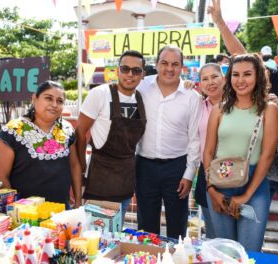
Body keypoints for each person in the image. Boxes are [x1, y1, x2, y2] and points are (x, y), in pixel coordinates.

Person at [203, 54, 278, 251]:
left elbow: (268, 155)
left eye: (247, 74)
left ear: (258, 77)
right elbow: (209, 151)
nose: (240, 80)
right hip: (219, 181)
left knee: (249, 251)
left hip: (255, 185)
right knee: (225, 252)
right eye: (235, 74)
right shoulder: (219, 109)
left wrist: (246, 195)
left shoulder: (269, 109)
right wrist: (211, 189)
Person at [135, 45, 201, 239]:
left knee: (177, 227)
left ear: (182, 67)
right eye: (164, 63)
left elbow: (194, 139)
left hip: (177, 168)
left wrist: (189, 174)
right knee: (146, 227)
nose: (169, 69)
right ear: (156, 64)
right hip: (144, 166)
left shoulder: (192, 96)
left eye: (175, 64)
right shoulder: (141, 86)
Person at [76, 50, 146, 220]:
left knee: (116, 233)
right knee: (96, 235)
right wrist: (81, 166)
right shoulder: (100, 94)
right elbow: (80, 132)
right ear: (117, 71)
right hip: (101, 179)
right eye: (125, 69)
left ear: (143, 74)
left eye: (136, 70)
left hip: (126, 180)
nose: (130, 74)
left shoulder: (141, 98)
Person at [0, 81, 82, 207]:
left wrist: (78, 202)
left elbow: (74, 166)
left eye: (60, 101)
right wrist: (14, 210)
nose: (54, 105)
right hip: (26, 216)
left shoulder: (66, 129)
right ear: (34, 98)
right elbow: (1, 177)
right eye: (48, 98)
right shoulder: (13, 130)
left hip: (62, 213)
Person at [194, 63, 225, 239]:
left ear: (224, 78)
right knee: (214, 234)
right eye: (205, 79)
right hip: (206, 171)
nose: (210, 82)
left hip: (234, 171)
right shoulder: (198, 105)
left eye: (214, 76)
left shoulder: (238, 104)